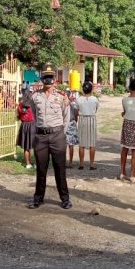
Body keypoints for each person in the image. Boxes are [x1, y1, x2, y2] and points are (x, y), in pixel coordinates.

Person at [28, 64, 72, 210]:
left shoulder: (61, 97)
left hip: (57, 136)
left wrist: (61, 133)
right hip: (41, 137)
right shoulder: (35, 96)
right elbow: (34, 115)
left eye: (50, 77)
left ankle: (65, 199)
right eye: (45, 77)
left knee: (60, 169)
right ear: (41, 79)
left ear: (55, 80)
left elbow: (67, 116)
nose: (48, 80)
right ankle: (38, 198)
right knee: (41, 169)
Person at [75, 81, 99, 170]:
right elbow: (96, 109)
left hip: (82, 119)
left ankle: (81, 164)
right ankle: (91, 164)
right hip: (91, 119)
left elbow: (76, 111)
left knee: (81, 144)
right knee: (92, 143)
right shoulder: (95, 99)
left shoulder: (79, 99)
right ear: (91, 89)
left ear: (83, 89)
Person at [16, 90, 36, 169]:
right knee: (35, 146)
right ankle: (36, 163)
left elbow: (18, 115)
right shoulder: (32, 104)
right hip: (33, 125)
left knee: (26, 146)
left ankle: (28, 164)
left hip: (24, 125)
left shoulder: (20, 105)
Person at [65, 90, 79, 168]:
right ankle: (70, 162)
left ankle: (65, 162)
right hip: (72, 123)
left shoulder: (62, 105)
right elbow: (76, 115)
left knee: (64, 145)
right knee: (71, 145)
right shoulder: (73, 105)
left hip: (65, 124)